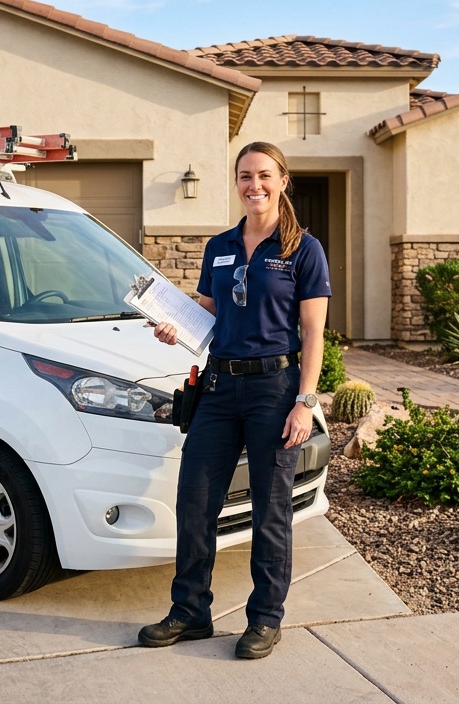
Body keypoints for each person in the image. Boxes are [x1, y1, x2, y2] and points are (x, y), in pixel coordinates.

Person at [138, 141, 331, 659]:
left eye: (264, 175)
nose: (254, 186)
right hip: (220, 389)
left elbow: (313, 334)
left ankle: (266, 618)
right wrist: (171, 328)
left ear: (282, 180)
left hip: (275, 390)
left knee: (270, 510)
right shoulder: (219, 246)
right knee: (195, 501)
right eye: (245, 176)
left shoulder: (303, 250)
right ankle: (190, 611)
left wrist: (305, 402)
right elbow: (204, 315)